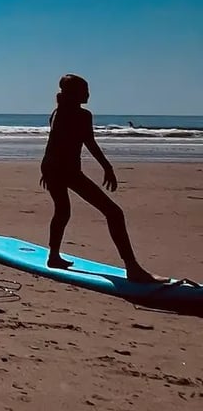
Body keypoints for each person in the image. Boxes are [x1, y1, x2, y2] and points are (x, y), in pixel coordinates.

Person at [40, 74, 162, 282]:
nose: (88, 94)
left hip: (55, 168)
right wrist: (107, 167)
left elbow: (74, 143)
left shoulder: (62, 112)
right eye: (85, 90)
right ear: (75, 93)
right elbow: (84, 143)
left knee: (62, 212)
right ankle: (132, 268)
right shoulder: (75, 115)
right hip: (63, 171)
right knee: (113, 212)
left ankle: (53, 257)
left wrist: (46, 170)